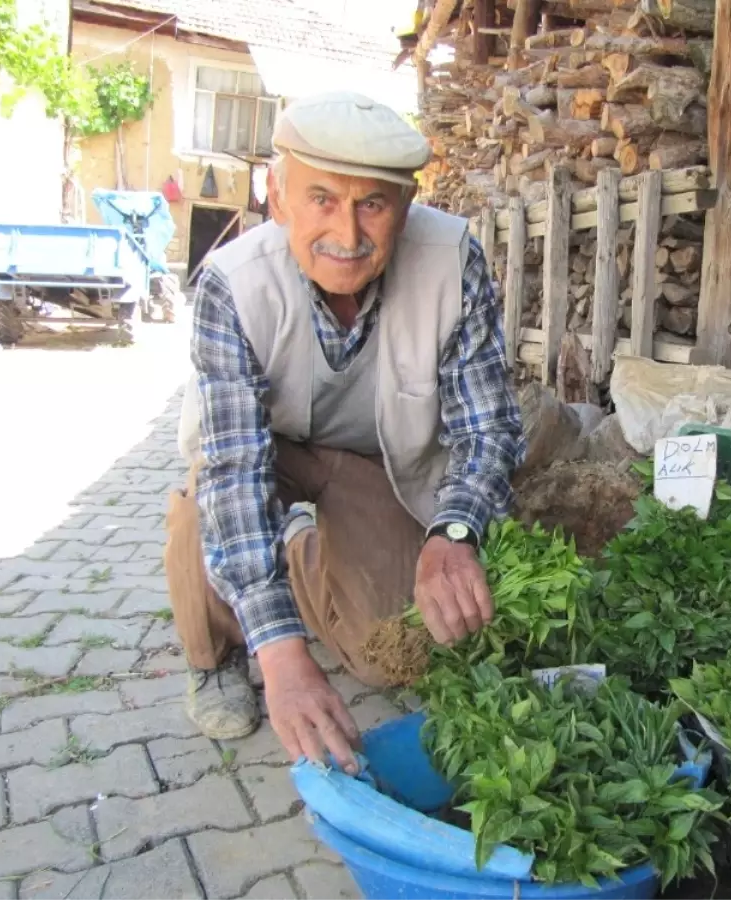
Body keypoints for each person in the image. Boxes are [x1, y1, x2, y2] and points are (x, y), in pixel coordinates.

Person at [166, 91, 525, 774]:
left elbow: (488, 430)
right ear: (279, 197)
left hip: (373, 464)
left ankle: (300, 553)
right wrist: (282, 655)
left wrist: (454, 533)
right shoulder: (234, 283)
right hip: (261, 455)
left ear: (408, 204)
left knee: (391, 653)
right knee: (203, 506)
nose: (348, 234)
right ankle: (216, 656)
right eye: (321, 199)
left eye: (373, 205)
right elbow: (237, 475)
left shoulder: (452, 262)